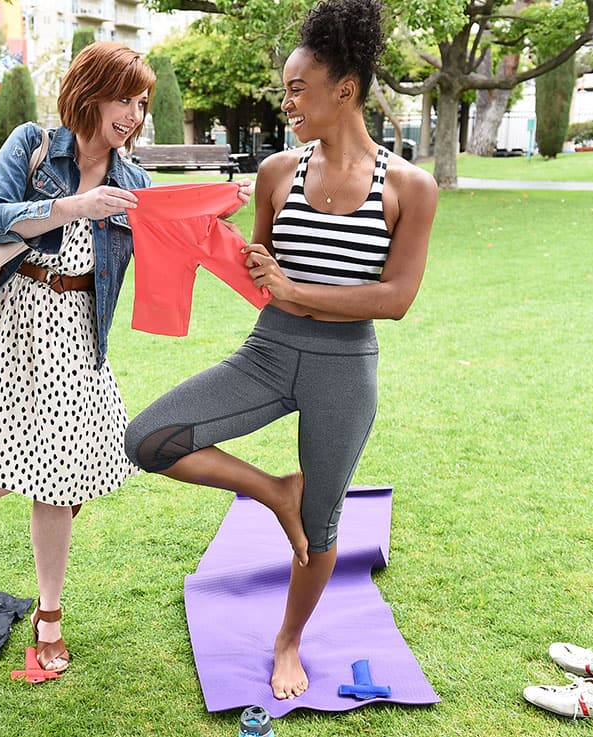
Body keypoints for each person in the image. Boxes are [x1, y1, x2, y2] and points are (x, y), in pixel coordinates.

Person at [125, 0, 438, 700]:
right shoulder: (276, 173)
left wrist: (298, 291)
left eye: (298, 87)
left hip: (344, 368)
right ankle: (275, 491)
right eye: (285, 88)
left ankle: (289, 638)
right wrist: (207, 226)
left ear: (345, 90)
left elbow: (395, 298)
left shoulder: (409, 186)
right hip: (267, 355)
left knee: (322, 523)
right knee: (147, 439)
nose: (286, 100)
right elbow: (260, 271)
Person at [0, 42, 157, 675]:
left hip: (76, 336)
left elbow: (171, 243)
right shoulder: (32, 144)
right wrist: (71, 207)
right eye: (124, 99)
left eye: (142, 104)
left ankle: (48, 614)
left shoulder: (133, 180)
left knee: (54, 483)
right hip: (7, 328)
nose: (134, 116)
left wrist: (217, 215)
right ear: (90, 93)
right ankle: (55, 482)